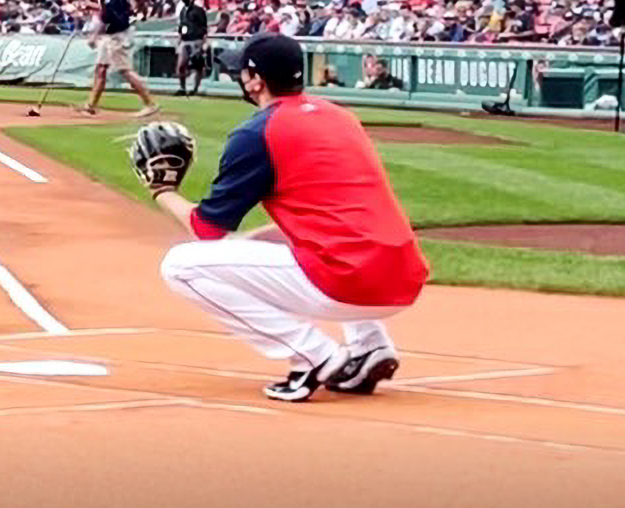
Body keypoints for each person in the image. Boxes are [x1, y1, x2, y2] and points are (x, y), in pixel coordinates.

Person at [150, 34, 429, 402]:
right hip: (402, 276)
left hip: (346, 284)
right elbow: (326, 217)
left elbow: (207, 229)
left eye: (242, 72)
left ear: (256, 81)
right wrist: (247, 245)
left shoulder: (256, 134)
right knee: (320, 241)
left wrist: (162, 191)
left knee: (180, 266)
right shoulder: (340, 118)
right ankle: (370, 346)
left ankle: (315, 355)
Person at [79, 0, 162, 117]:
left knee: (125, 70)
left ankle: (150, 103)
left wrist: (94, 35)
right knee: (101, 68)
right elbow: (120, 7)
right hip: (113, 32)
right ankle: (90, 105)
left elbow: (108, 14)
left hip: (117, 33)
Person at [175, 0, 212, 97]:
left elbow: (204, 26)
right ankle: (182, 87)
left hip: (196, 39)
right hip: (185, 40)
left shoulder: (199, 10)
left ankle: (194, 88)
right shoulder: (183, 11)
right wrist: (179, 38)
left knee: (196, 65)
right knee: (181, 65)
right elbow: (181, 25)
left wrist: (204, 41)